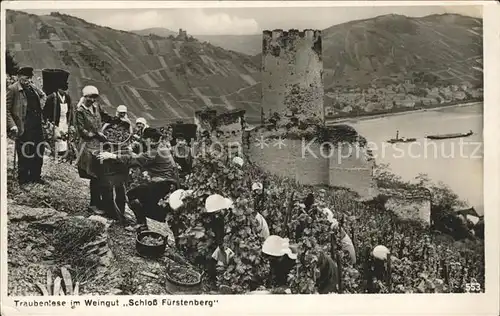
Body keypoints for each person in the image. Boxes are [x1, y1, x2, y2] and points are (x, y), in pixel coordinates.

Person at [97, 127, 180, 232]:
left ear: (150, 139)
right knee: (143, 197)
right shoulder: (162, 146)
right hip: (168, 182)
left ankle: (143, 224)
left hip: (163, 183)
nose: (144, 141)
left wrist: (112, 155)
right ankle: (149, 219)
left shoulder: (155, 152)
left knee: (132, 195)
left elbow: (134, 160)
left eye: (145, 139)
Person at [75, 85, 117, 214]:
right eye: (90, 97)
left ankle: (100, 203)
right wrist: (96, 134)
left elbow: (104, 116)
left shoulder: (96, 106)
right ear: (85, 97)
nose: (92, 100)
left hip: (99, 143)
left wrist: (115, 120)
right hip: (88, 145)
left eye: (94, 97)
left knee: (100, 174)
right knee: (95, 175)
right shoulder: (80, 111)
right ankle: (94, 204)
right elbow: (82, 130)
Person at [7, 66, 48, 185]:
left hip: (36, 125)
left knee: (38, 150)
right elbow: (6, 110)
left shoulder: (32, 87)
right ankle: (24, 179)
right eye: (25, 79)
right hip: (24, 126)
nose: (28, 81)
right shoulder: (13, 89)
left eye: (30, 78)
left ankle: (35, 177)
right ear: (19, 77)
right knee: (26, 152)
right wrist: (12, 125)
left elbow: (43, 95)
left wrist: (40, 107)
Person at [262, 235, 338, 294]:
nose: (271, 261)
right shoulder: (276, 261)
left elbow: (302, 284)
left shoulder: (302, 258)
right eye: (268, 258)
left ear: (283, 255)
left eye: (274, 258)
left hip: (328, 273)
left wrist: (286, 288)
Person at [42, 69, 74, 158]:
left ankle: (64, 154)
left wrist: (70, 123)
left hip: (64, 121)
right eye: (62, 89)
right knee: (57, 139)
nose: (64, 91)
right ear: (58, 88)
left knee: (64, 139)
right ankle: (54, 154)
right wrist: (50, 125)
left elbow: (70, 111)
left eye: (65, 89)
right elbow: (45, 113)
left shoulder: (67, 98)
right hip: (55, 123)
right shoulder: (51, 98)